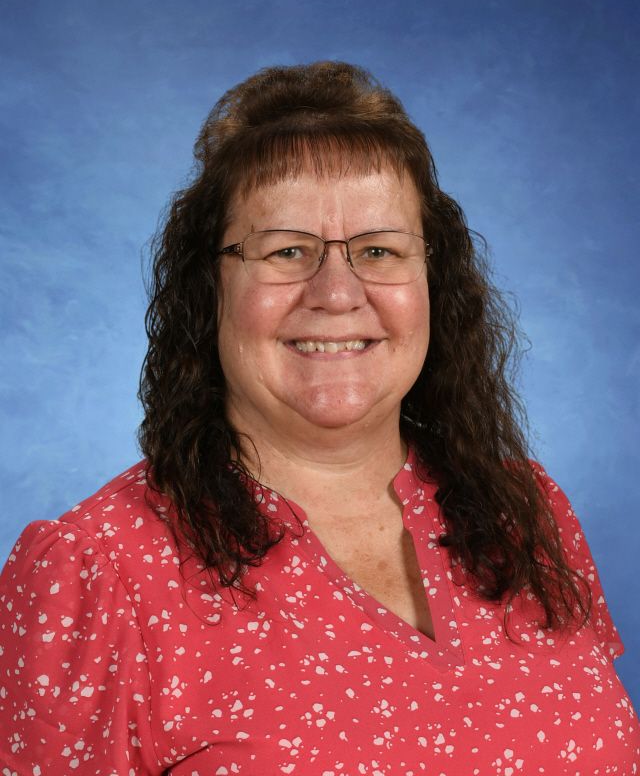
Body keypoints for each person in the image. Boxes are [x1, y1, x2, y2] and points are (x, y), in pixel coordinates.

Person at [0, 61, 638, 775]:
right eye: (287, 251)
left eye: (377, 250)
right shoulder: (96, 572)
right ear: (208, 292)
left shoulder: (527, 512)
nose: (337, 292)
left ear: (434, 283)